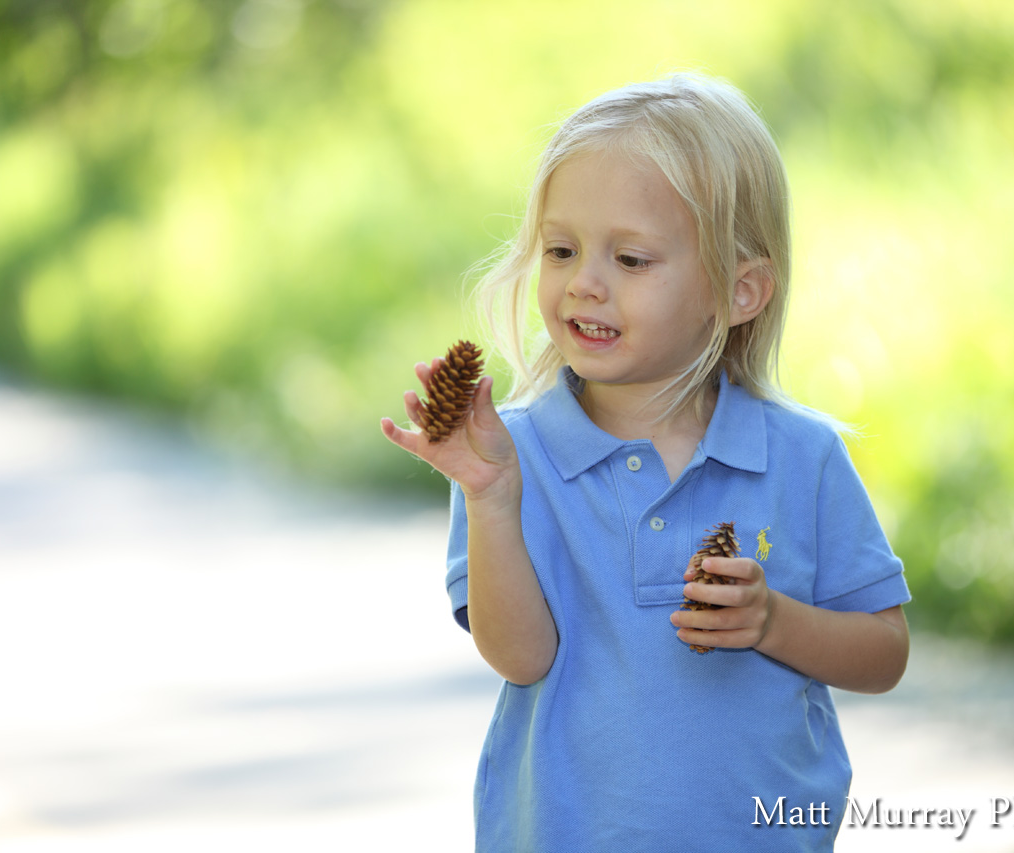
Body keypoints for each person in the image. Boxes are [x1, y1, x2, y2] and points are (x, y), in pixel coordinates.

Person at [381, 72, 910, 852]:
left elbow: (884, 653)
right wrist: (492, 496)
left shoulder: (804, 457)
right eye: (561, 250)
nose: (584, 283)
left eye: (630, 259)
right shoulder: (507, 453)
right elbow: (521, 659)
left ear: (740, 290)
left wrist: (772, 620)